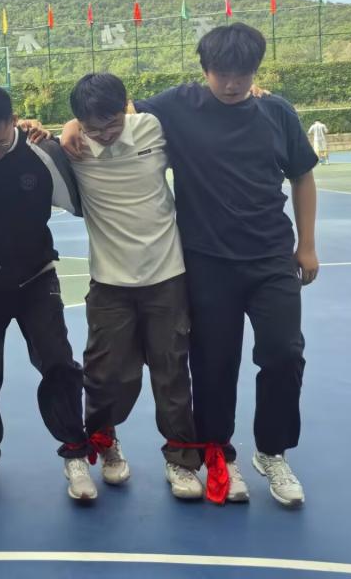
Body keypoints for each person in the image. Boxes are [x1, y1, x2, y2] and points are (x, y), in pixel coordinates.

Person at [65, 24, 318, 508]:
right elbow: (116, 109)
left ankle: (272, 452)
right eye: (222, 73)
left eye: (243, 74)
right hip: (206, 261)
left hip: (271, 256)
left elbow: (302, 175)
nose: (233, 84)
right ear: (205, 70)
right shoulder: (178, 105)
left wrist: (307, 245)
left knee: (284, 353)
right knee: (212, 364)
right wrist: (72, 125)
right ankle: (219, 453)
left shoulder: (277, 112)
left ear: (256, 71)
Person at [0, 86, 92, 501]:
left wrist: (69, 128)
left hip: (35, 281)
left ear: (14, 121)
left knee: (58, 363)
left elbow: (84, 203)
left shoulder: (43, 154)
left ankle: (75, 453)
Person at [62, 73, 204, 501]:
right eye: (93, 127)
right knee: (104, 375)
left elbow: (197, 96)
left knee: (172, 372)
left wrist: (254, 91)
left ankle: (180, 460)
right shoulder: (72, 148)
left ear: (126, 107)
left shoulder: (153, 128)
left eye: (111, 123)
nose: (104, 135)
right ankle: (105, 443)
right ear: (79, 122)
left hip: (167, 276)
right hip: (110, 284)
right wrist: (69, 130)